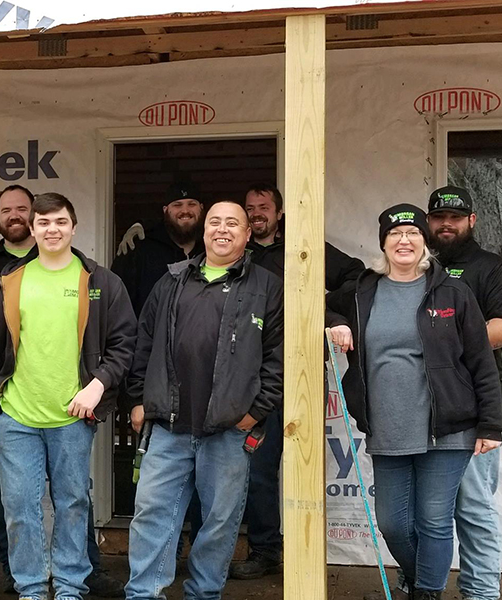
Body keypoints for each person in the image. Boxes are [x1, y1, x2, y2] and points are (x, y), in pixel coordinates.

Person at [327, 204, 502, 600]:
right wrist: (336, 322)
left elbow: (481, 360)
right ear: (383, 243)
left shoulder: (453, 292)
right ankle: (419, 579)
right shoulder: (362, 291)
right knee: (393, 524)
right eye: (395, 234)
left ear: (424, 242)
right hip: (388, 427)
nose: (403, 240)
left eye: (413, 234)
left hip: (449, 429)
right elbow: (320, 304)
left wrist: (492, 424)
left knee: (434, 521)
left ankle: (427, 593)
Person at [0, 193, 136, 600]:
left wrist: (97, 385)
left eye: (61, 222)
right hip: (16, 416)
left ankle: (68, 588)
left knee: (73, 505)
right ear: (32, 230)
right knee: (19, 510)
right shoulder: (9, 282)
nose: (52, 229)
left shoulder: (100, 281)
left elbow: (125, 343)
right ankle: (31, 589)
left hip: (73, 418)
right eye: (44, 222)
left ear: (74, 227)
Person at [125, 200, 283, 600]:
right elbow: (143, 342)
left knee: (218, 523)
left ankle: (204, 594)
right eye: (215, 222)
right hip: (168, 424)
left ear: (247, 234)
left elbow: (279, 356)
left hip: (229, 429)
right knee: (152, 516)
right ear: (205, 231)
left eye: (232, 223)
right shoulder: (172, 280)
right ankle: (143, 594)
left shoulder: (267, 287)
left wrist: (255, 412)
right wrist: (139, 399)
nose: (222, 229)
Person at [231, 183, 364, 580]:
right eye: (250, 207)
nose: (257, 213)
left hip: (302, 370)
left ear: (279, 212)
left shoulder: (302, 246)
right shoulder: (237, 252)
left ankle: (306, 559)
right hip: (251, 377)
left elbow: (356, 276)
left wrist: (324, 309)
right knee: (258, 470)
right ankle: (265, 551)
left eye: (264, 206)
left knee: (304, 468)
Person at [425, 186, 502, 600]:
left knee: (473, 507)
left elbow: (499, 329)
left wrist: (443, 346)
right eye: (439, 217)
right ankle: (418, 584)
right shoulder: (419, 266)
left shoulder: (490, 267)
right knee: (423, 510)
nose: (446, 225)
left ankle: (481, 591)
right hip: (423, 407)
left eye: (455, 218)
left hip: (475, 405)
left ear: (471, 220)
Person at [111, 181, 204, 316]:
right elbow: (116, 303)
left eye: (192, 204)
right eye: (177, 205)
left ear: (201, 208)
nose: (185, 211)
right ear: (165, 210)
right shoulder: (138, 249)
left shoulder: (211, 249)